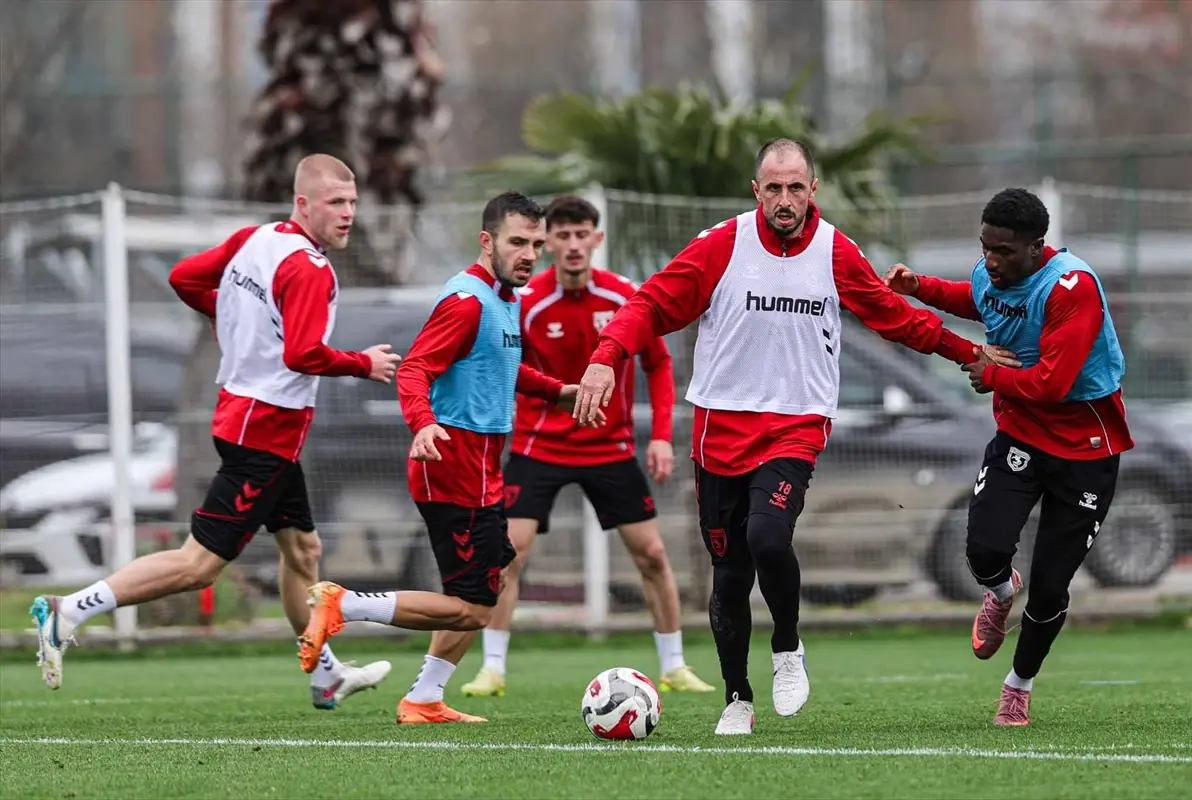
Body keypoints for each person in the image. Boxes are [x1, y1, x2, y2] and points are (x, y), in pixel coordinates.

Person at [572, 138, 1019, 736]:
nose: (785, 200)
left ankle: (788, 647)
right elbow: (651, 304)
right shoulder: (723, 245)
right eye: (774, 188)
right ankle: (737, 698)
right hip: (719, 426)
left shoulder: (835, 250)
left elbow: (896, 316)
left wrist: (966, 352)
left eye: (796, 188)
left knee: (768, 534)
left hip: (795, 423)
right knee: (728, 573)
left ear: (814, 190)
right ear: (757, 191)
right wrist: (606, 356)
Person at [30, 154, 405, 710]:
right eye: (335, 203)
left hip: (246, 417)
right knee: (199, 565)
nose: (348, 214)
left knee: (303, 550)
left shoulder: (257, 239)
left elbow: (183, 277)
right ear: (302, 204)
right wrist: (362, 364)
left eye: (352, 202)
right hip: (265, 433)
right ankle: (69, 610)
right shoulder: (310, 267)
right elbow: (303, 353)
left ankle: (325, 674)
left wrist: (224, 312)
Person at [300, 191, 600, 725]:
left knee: (492, 577)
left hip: (481, 465)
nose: (530, 254)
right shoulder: (466, 301)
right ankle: (343, 605)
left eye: (536, 243)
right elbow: (415, 369)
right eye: (517, 242)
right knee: (475, 606)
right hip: (451, 462)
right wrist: (424, 423)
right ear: (487, 242)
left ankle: (424, 699)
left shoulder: (506, 296)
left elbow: (502, 365)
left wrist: (558, 393)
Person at [884, 187, 1133, 727]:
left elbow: (1052, 381)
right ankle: (1000, 592)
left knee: (1051, 586)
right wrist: (918, 287)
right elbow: (976, 296)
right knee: (983, 550)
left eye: (1004, 252)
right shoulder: (991, 268)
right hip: (1020, 433)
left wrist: (988, 373)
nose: (991, 261)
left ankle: (1017, 686)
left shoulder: (1072, 288)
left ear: (1036, 247)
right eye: (986, 247)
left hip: (1085, 447)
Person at [459, 195, 715, 698]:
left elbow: (658, 365)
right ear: (547, 241)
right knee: (509, 554)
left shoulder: (624, 295)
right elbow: (504, 367)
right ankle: (492, 669)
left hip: (611, 448)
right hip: (540, 448)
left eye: (583, 235)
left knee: (653, 554)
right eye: (563, 235)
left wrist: (661, 435)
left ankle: (675, 665)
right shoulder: (526, 301)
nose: (573, 245)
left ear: (597, 239)